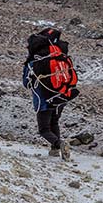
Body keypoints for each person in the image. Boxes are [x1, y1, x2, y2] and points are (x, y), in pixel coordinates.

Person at [23, 27, 75, 160]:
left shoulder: (34, 61)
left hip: (43, 99)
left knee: (44, 129)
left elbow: (26, 83)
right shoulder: (60, 56)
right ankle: (55, 151)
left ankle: (60, 144)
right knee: (54, 122)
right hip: (61, 94)